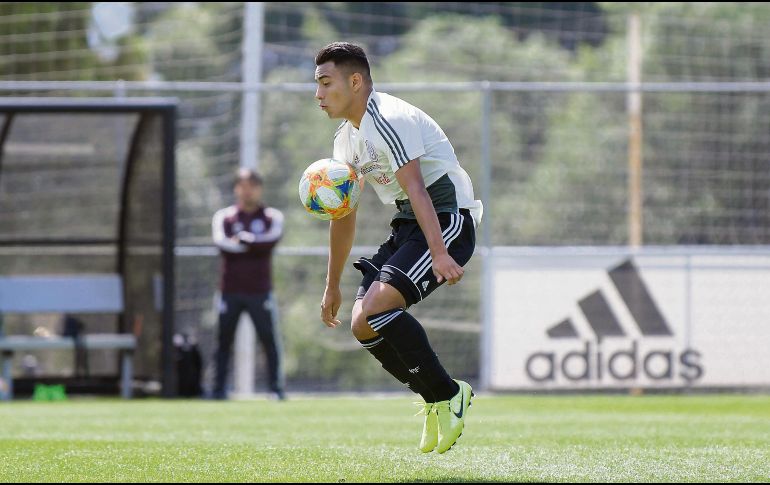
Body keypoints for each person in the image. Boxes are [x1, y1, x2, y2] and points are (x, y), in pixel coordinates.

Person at [314, 42, 483, 453]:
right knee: (362, 323)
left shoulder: (388, 118)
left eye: (325, 82)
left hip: (446, 219)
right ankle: (438, 400)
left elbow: (417, 189)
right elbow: (344, 215)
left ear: (355, 82)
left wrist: (440, 252)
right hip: (410, 223)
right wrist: (332, 284)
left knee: (378, 309)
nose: (317, 94)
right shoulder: (345, 142)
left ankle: (448, 393)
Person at [211, 168, 286, 401]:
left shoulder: (272, 216)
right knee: (223, 341)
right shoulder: (223, 217)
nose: (247, 190)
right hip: (229, 291)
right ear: (236, 188)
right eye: (243, 185)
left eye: (252, 185)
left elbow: (270, 241)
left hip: (260, 291)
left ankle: (275, 390)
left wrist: (245, 241)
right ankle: (218, 390)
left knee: (269, 341)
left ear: (259, 188)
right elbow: (222, 244)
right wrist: (253, 246)